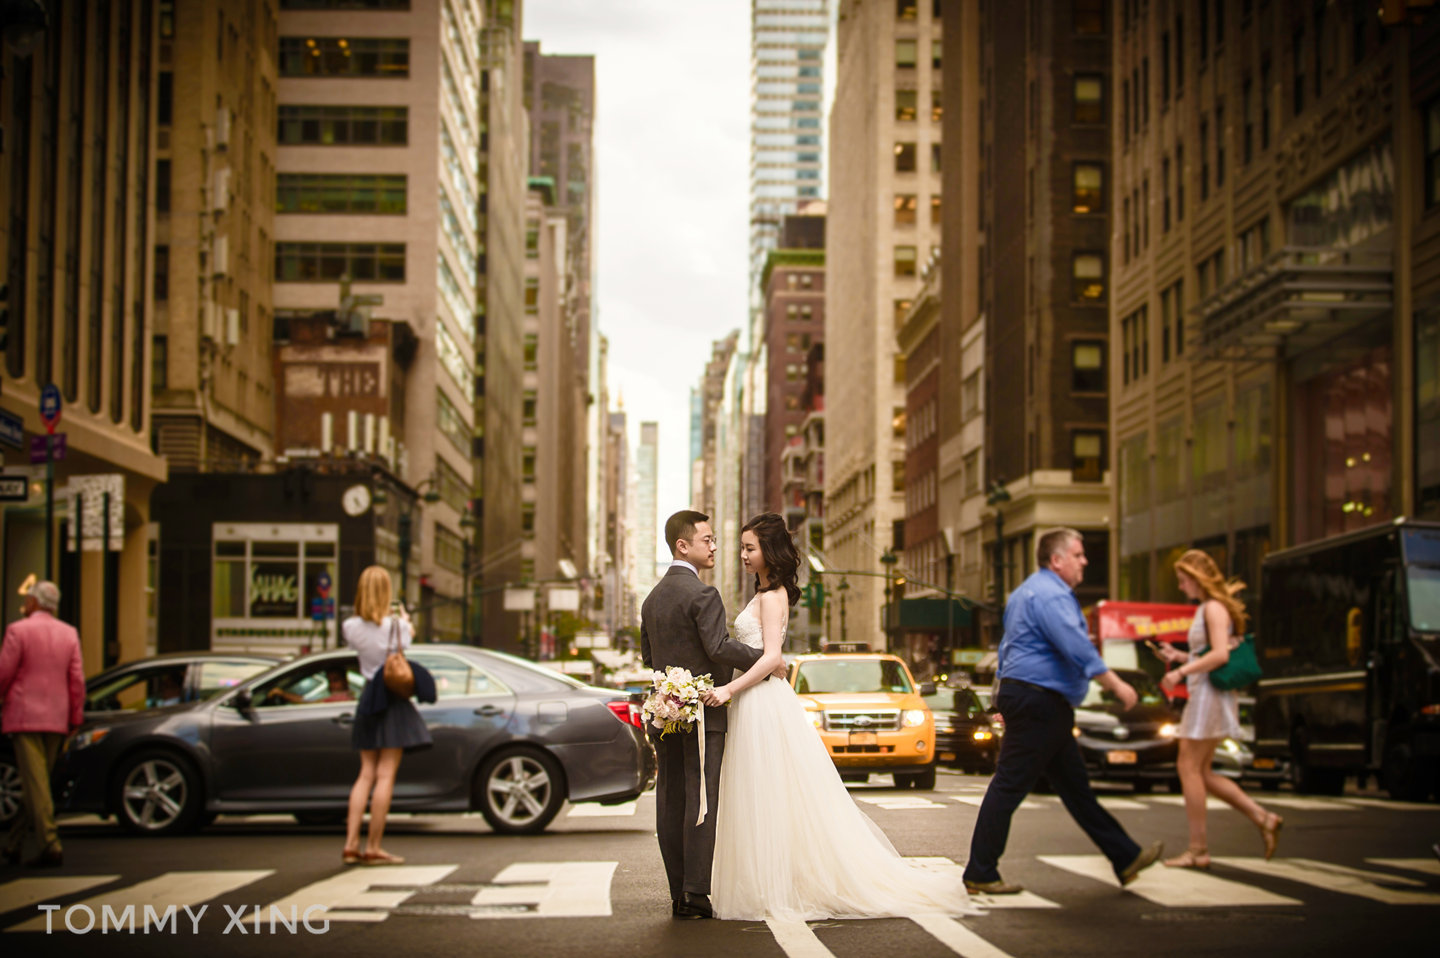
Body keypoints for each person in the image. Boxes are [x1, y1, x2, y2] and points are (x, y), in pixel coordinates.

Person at [702, 513, 976, 921]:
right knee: (760, 795)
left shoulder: (773, 596)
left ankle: (778, 886)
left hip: (762, 703)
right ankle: (767, 882)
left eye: (750, 548)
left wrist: (728, 690)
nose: (742, 555)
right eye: (742, 547)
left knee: (770, 794)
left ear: (769, 553)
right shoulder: (761, 595)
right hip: (754, 702)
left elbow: (774, 657)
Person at [963, 528, 1164, 895]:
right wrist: (1116, 685)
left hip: (1036, 700)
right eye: (1078, 554)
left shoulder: (1025, 592)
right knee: (1010, 784)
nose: (1084, 561)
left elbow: (1008, 648)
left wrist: (1001, 697)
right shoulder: (1052, 595)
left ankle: (1125, 856)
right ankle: (980, 871)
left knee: (1076, 790)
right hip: (1040, 702)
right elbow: (1076, 646)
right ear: (1057, 560)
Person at [640, 510, 779, 919]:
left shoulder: (651, 599)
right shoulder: (703, 595)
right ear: (683, 546)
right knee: (701, 799)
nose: (715, 546)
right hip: (703, 713)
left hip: (665, 714)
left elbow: (650, 658)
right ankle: (695, 893)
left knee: (670, 800)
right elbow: (719, 647)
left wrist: (671, 690)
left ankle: (676, 890)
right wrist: (766, 660)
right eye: (707, 539)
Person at [1154, 550, 1282, 868]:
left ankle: (1198, 849)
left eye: (1183, 581)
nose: (1182, 587)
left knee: (1188, 766)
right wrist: (1179, 656)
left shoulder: (1212, 608)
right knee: (1203, 772)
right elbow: (1207, 653)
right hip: (1206, 692)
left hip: (1208, 695)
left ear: (1197, 579)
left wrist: (1179, 672)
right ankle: (1263, 818)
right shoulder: (1209, 608)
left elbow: (1221, 655)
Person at [340, 566, 431, 866]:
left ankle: (351, 844)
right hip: (392, 698)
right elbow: (408, 640)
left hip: (368, 697)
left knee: (365, 773)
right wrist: (404, 620)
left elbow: (358, 645)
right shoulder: (397, 627)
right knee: (385, 774)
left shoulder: (350, 626)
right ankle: (374, 846)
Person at [0, 582, 85, 868]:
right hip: (57, 718)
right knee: (38, 782)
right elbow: (77, 680)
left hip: (24, 716)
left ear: (35, 602)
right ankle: (13, 843)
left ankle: (50, 843)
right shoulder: (68, 633)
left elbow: (4, 673)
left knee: (35, 783)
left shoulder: (18, 630)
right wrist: (75, 715)